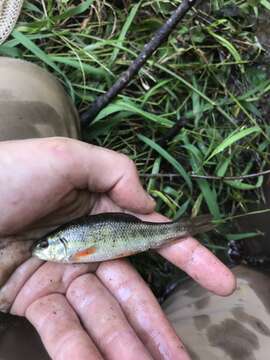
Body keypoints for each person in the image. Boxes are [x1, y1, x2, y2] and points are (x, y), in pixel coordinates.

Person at [0, 57, 268, 360]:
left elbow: (89, 251)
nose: (42, 250)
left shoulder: (72, 248)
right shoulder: (71, 250)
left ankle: (191, 228)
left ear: (61, 244)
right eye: (44, 247)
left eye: (46, 246)